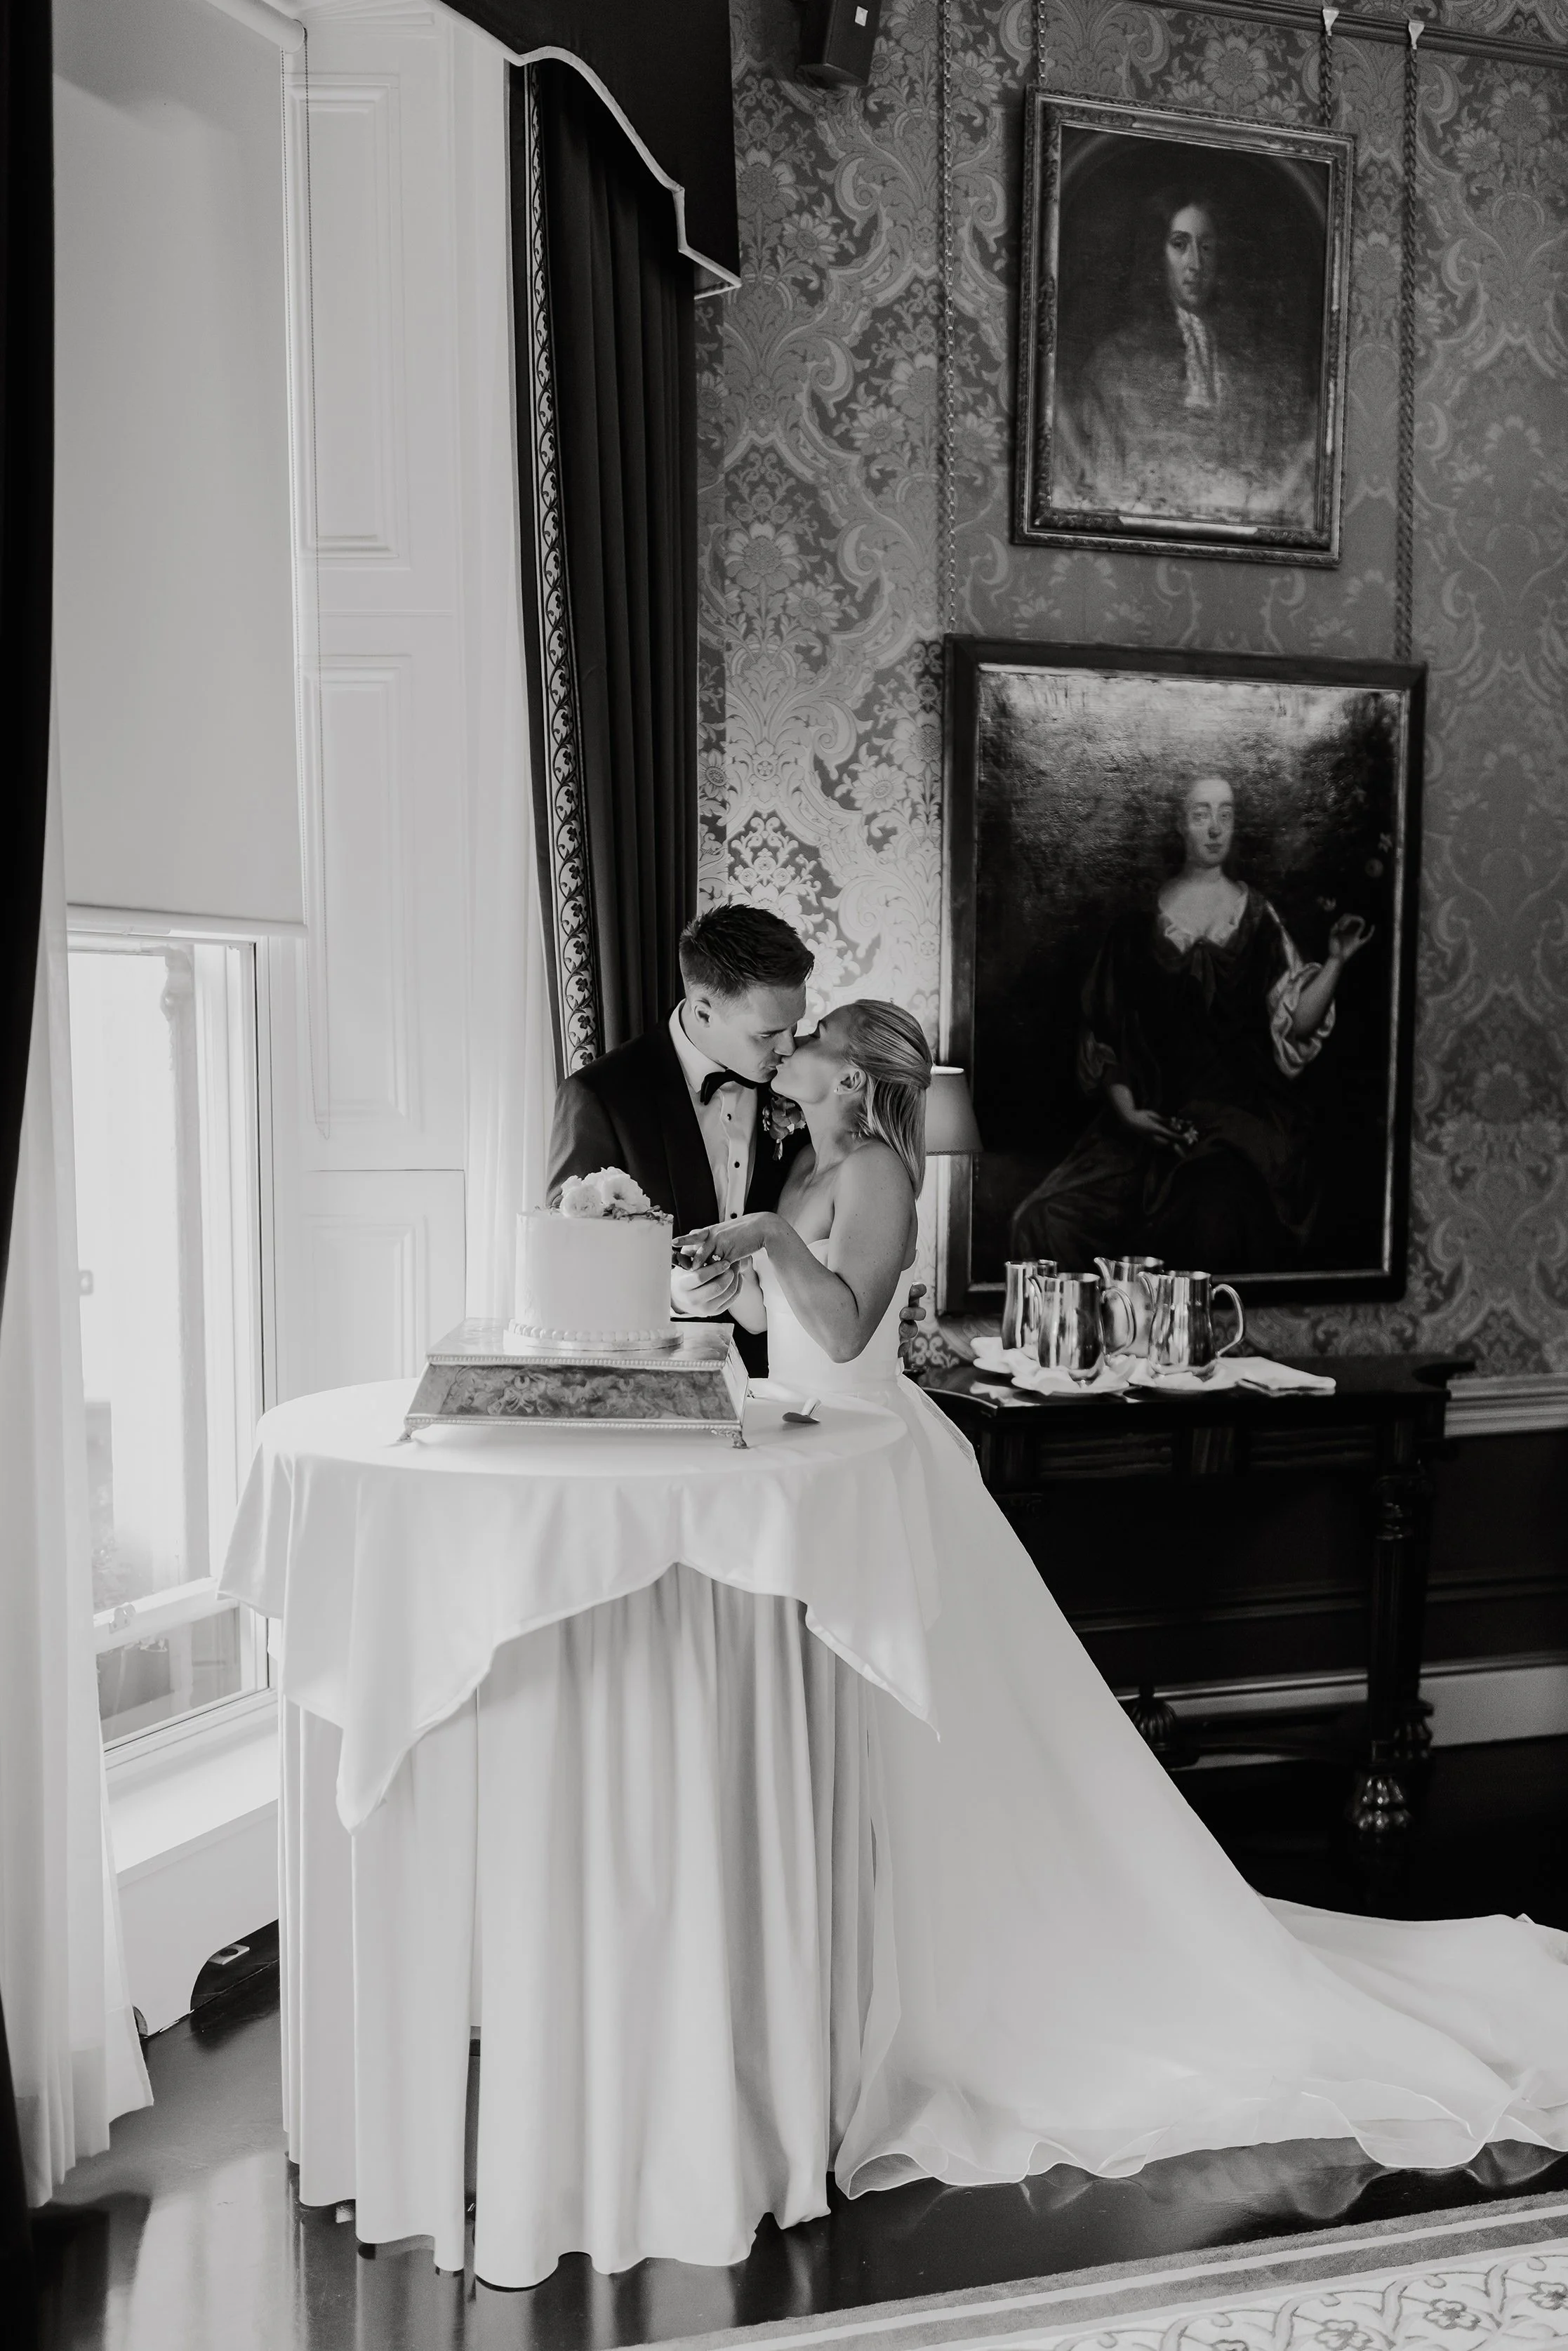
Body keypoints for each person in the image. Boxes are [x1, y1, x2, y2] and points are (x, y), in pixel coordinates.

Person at [677, 997, 1568, 2208]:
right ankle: (846, 1982)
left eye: (814, 1038)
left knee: (937, 1743)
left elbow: (840, 1326)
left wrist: (763, 1244)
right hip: (813, 1459)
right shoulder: (807, 1162)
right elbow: (777, 1322)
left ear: (858, 1074)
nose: (794, 1052)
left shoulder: (879, 1169)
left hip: (875, 1460)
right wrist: (727, 1268)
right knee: (873, 1751)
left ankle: (950, 1988)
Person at [1011, 774, 1372, 1273]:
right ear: (1180, 823)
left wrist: (1335, 961)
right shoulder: (1136, 927)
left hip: (1238, 1125)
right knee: (1042, 1217)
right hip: (1144, 1125)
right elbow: (1107, 1037)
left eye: (1225, 814)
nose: (1215, 828)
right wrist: (1131, 1115)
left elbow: (1297, 1026)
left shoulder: (1259, 919)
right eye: (1202, 813)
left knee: (1209, 1205)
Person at [547, 901, 924, 1375]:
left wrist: (883, 1301)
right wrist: (670, 1293)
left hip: (788, 1403)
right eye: (769, 1033)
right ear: (705, 1014)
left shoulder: (805, 1099)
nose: (788, 1047)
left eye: (797, 1026)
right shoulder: (601, 1099)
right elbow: (565, 1275)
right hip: (659, 1392)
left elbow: (847, 1259)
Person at [1058, 185, 1316, 528]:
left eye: (1207, 248)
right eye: (1180, 245)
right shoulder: (1116, 360)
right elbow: (1096, 473)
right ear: (1156, 253)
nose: (1195, 264)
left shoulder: (1255, 369)